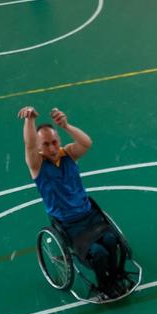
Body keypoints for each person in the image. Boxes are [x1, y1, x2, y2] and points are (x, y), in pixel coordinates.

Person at [18, 106, 130, 299]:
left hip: (90, 214)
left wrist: (66, 125)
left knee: (112, 241)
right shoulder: (37, 166)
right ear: (38, 147)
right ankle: (103, 286)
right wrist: (29, 121)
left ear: (59, 141)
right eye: (45, 144)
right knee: (98, 253)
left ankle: (115, 275)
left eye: (54, 142)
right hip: (69, 225)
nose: (52, 148)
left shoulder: (68, 154)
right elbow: (28, 146)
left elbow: (86, 143)